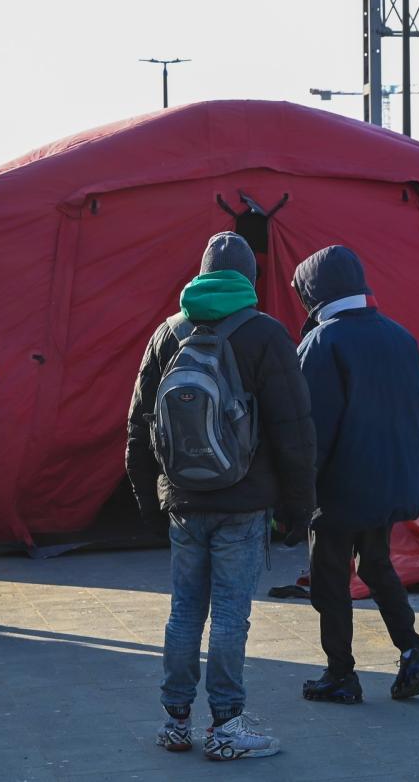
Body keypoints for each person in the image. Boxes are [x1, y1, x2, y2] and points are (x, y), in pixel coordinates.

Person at [126, 232, 316, 761]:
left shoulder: (169, 332)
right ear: (248, 279)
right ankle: (227, 724)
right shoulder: (266, 335)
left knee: (185, 610)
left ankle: (175, 720)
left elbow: (139, 424)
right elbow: (294, 429)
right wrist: (299, 508)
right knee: (230, 613)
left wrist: (149, 499)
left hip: (184, 500)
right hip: (244, 501)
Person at [290, 245, 419, 705]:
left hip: (339, 489)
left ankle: (340, 674)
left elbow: (313, 431)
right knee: (377, 565)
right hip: (389, 482)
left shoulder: (322, 342)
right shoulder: (401, 336)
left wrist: (297, 496)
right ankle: (413, 650)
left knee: (329, 578)